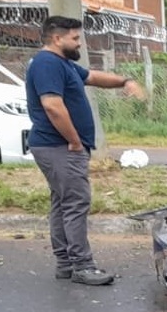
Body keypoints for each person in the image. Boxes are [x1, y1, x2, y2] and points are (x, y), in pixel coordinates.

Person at [26, 15, 146, 286]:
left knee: (62, 203)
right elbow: (52, 106)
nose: (79, 42)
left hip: (57, 146)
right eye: (75, 38)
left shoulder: (62, 63)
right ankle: (82, 265)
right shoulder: (47, 64)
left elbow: (91, 76)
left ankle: (66, 264)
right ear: (57, 38)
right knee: (75, 204)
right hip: (59, 146)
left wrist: (125, 81)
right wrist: (75, 141)